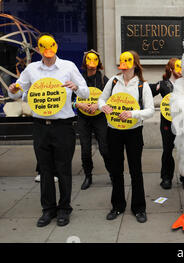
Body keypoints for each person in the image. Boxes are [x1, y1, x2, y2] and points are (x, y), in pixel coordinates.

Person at [8, 33, 89, 227]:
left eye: (51, 50)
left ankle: (64, 209)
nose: (48, 55)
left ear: (56, 48)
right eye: (45, 51)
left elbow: (85, 92)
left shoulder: (68, 67)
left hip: (63, 126)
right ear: (39, 50)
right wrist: (14, 91)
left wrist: (75, 87)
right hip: (40, 126)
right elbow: (19, 93)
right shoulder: (31, 69)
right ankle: (48, 209)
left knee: (63, 169)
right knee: (45, 170)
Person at [98, 50, 155, 223]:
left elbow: (151, 110)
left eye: (127, 64)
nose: (123, 68)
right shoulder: (113, 81)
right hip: (114, 131)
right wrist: (103, 107)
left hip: (133, 132)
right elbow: (101, 99)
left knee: (135, 170)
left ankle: (139, 208)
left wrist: (133, 114)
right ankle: (117, 206)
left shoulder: (142, 86)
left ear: (135, 64)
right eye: (121, 64)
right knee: (116, 170)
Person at [75, 49, 112, 190]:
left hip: (99, 117)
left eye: (95, 60)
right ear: (84, 62)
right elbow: (70, 98)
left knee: (104, 148)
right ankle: (88, 175)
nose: (92, 63)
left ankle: (112, 174)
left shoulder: (103, 79)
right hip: (83, 118)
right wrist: (79, 104)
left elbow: (111, 97)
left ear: (99, 62)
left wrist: (99, 105)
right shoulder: (79, 79)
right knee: (85, 149)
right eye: (89, 60)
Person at [152, 58, 184, 190]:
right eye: (178, 67)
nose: (181, 70)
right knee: (167, 151)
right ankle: (166, 178)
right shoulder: (163, 84)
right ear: (171, 69)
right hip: (167, 123)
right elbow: (147, 92)